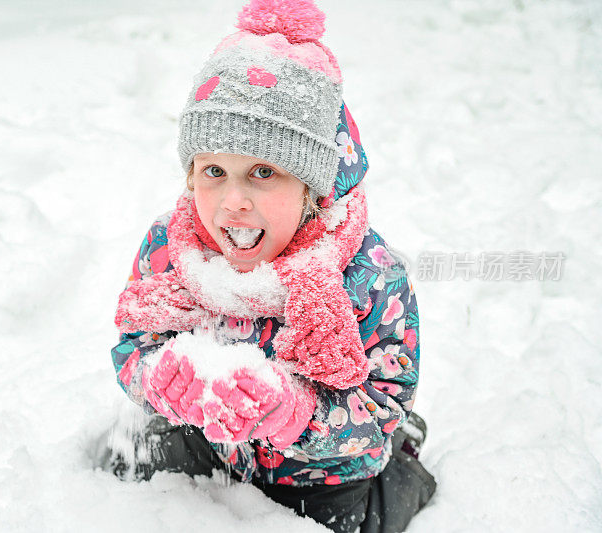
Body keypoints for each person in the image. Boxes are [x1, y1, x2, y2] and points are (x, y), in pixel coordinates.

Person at [102, 1, 436, 531]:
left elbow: (381, 404)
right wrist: (156, 379)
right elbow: (133, 343)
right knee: (127, 468)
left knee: (364, 514)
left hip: (319, 474)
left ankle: (404, 470)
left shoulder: (369, 278)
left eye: (263, 172)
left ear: (313, 188)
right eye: (214, 170)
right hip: (207, 443)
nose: (232, 201)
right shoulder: (173, 249)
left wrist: (296, 412)